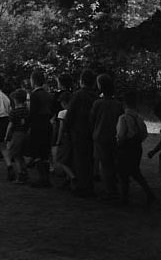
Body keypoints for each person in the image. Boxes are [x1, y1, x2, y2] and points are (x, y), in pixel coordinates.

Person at [116, 90, 156, 206]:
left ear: (124, 104)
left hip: (125, 148)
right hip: (136, 147)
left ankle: (124, 198)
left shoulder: (123, 118)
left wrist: (118, 144)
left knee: (123, 173)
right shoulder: (139, 118)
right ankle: (149, 193)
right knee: (135, 171)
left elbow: (121, 135)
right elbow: (144, 133)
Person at [64, 69, 98, 197]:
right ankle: (88, 185)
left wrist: (67, 129)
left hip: (78, 131)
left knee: (79, 160)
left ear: (81, 81)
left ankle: (82, 187)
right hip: (91, 131)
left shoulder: (78, 95)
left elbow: (70, 113)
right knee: (89, 159)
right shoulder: (94, 96)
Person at [90, 73, 123, 201]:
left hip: (100, 136)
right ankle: (113, 189)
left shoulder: (98, 103)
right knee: (112, 164)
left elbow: (91, 120)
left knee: (105, 165)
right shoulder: (118, 104)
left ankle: (110, 192)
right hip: (113, 137)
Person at [28, 68, 53, 187]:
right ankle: (46, 178)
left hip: (37, 125)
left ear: (33, 81)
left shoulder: (34, 95)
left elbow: (32, 112)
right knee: (45, 153)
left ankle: (41, 178)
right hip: (47, 124)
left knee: (37, 153)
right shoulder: (48, 94)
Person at [6, 88, 30, 184]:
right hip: (25, 133)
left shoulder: (14, 112)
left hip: (16, 134)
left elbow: (10, 125)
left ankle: (21, 175)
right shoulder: (27, 111)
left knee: (16, 156)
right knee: (21, 155)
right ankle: (25, 172)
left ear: (15, 100)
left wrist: (6, 136)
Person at [53, 92, 75, 189]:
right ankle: (68, 179)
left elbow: (61, 128)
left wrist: (58, 140)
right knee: (69, 158)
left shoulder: (62, 113)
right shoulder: (74, 112)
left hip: (65, 138)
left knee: (61, 159)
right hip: (73, 137)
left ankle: (72, 177)